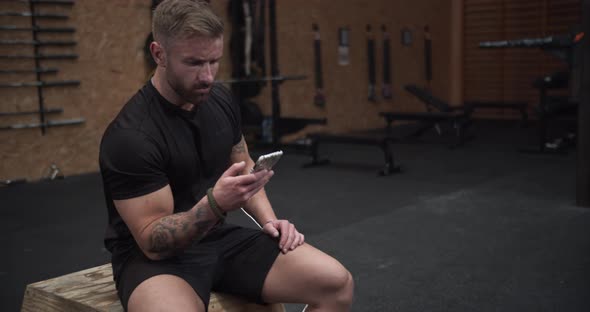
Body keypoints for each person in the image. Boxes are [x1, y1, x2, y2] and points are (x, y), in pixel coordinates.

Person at [99, 1, 354, 311]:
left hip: (217, 239)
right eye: (193, 63)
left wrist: (270, 222)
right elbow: (153, 242)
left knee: (336, 283)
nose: (207, 76)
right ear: (159, 54)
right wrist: (216, 204)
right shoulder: (131, 136)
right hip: (154, 262)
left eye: (214, 61)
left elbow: (243, 165)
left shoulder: (218, 98)